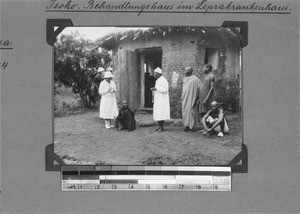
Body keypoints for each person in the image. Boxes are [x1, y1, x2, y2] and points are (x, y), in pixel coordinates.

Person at [151, 67, 170, 132]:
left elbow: (166, 89)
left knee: (161, 113)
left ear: (158, 74)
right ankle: (159, 126)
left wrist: (156, 89)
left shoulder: (163, 80)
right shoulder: (158, 80)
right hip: (158, 100)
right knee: (158, 113)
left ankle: (161, 127)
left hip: (162, 100)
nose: (154, 74)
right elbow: (158, 89)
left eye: (154, 73)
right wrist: (155, 89)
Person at [181, 67, 200, 132]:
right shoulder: (185, 79)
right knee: (185, 111)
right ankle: (186, 125)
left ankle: (191, 127)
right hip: (185, 98)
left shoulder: (195, 79)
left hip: (192, 98)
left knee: (191, 111)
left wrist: (197, 98)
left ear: (190, 71)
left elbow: (199, 89)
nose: (184, 71)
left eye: (186, 70)